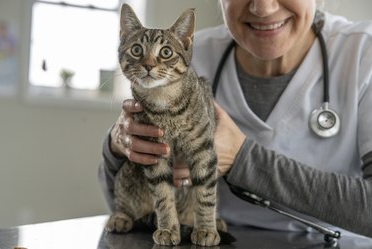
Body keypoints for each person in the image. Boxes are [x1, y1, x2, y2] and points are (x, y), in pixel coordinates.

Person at [99, 0, 372, 238]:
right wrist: (116, 148)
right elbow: (125, 209)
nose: (263, 8)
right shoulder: (183, 53)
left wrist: (241, 159)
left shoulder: (363, 52)